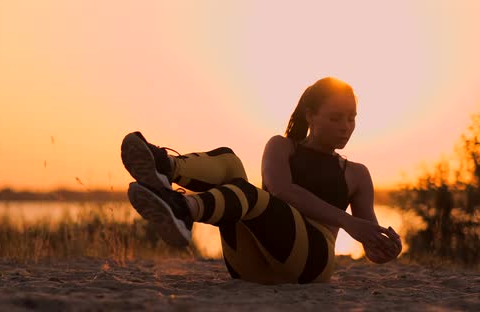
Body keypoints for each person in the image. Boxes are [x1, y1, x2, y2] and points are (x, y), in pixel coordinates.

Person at [120, 77, 402, 284]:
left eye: (351, 118)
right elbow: (282, 191)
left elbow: (370, 240)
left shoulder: (356, 173)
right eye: (336, 118)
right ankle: (165, 167)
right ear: (310, 115)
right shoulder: (282, 147)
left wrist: (385, 248)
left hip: (311, 264)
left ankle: (183, 209)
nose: (345, 127)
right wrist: (347, 219)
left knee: (248, 194)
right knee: (230, 162)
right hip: (250, 265)